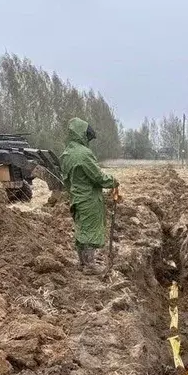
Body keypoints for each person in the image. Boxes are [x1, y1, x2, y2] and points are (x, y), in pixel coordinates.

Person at [60, 117, 119, 274]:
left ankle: (83, 263)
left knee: (81, 229)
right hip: (89, 198)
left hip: (76, 198)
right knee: (91, 231)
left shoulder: (67, 153)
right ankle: (90, 265)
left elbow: (66, 180)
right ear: (82, 134)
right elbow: (97, 177)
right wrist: (113, 181)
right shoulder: (84, 154)